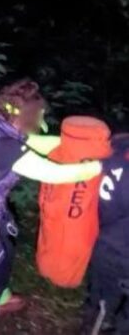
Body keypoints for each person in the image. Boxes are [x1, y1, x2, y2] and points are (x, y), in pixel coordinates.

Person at [0, 79, 104, 335]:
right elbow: (53, 174)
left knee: (8, 250)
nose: (42, 118)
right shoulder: (4, 148)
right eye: (40, 114)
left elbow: (37, 144)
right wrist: (102, 166)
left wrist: (83, 145)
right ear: (28, 115)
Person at [81, 134, 129, 334]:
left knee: (99, 297)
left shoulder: (116, 147)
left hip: (101, 239)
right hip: (122, 252)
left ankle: (92, 321)